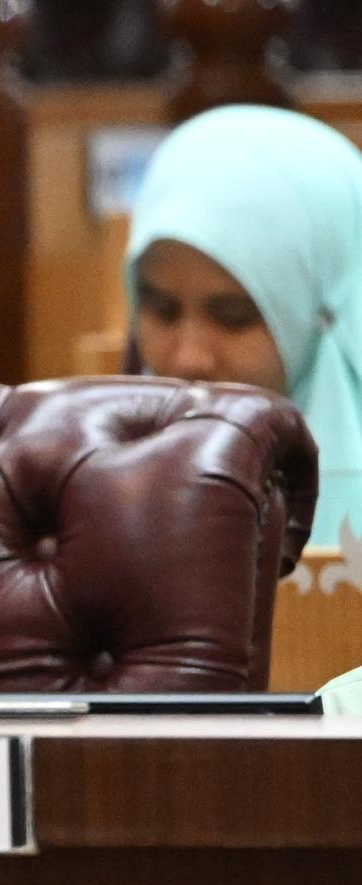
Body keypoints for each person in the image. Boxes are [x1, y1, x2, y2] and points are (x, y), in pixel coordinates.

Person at [125, 105, 362, 553]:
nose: (188, 358)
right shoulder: (99, 487)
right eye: (161, 310)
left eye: (234, 317)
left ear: (323, 316)